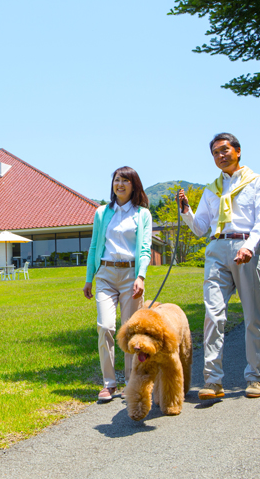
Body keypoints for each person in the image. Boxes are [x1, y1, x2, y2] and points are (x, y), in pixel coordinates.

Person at [178, 133, 260, 400]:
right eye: (215, 153)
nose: (220, 155)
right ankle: (213, 380)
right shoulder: (211, 189)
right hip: (217, 249)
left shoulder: (257, 182)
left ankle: (254, 378)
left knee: (254, 316)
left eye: (224, 150)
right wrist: (186, 211)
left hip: (246, 247)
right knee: (213, 315)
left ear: (238, 151)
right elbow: (199, 228)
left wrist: (250, 247)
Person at [83, 166, 152, 402]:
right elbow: (94, 246)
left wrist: (140, 276)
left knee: (130, 331)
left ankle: (131, 380)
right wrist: (88, 278)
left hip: (130, 276)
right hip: (105, 274)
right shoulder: (102, 212)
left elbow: (144, 249)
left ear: (134, 185)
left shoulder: (142, 214)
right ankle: (109, 383)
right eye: (116, 180)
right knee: (105, 326)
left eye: (125, 180)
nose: (119, 184)